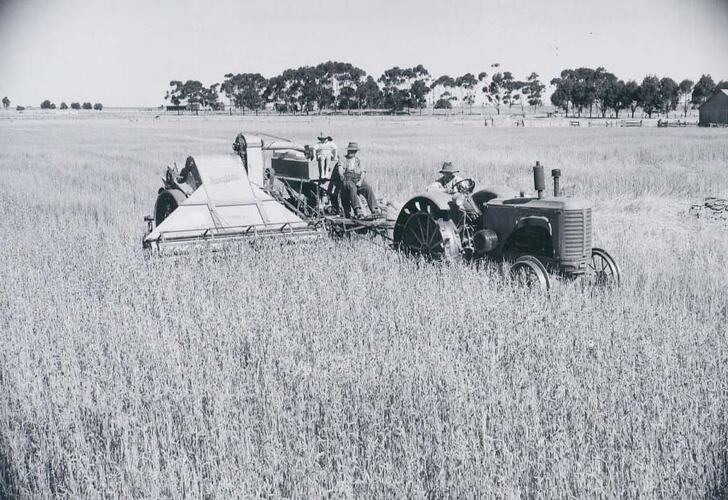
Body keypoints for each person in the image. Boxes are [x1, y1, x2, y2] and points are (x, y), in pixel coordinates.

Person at [339, 142, 379, 218]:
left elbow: (363, 171)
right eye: (350, 150)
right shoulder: (343, 159)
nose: (350, 152)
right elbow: (340, 169)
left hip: (357, 178)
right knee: (352, 188)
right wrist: (342, 176)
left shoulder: (358, 160)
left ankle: (374, 208)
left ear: (355, 152)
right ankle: (357, 209)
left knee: (368, 188)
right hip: (347, 178)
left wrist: (360, 181)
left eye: (353, 151)